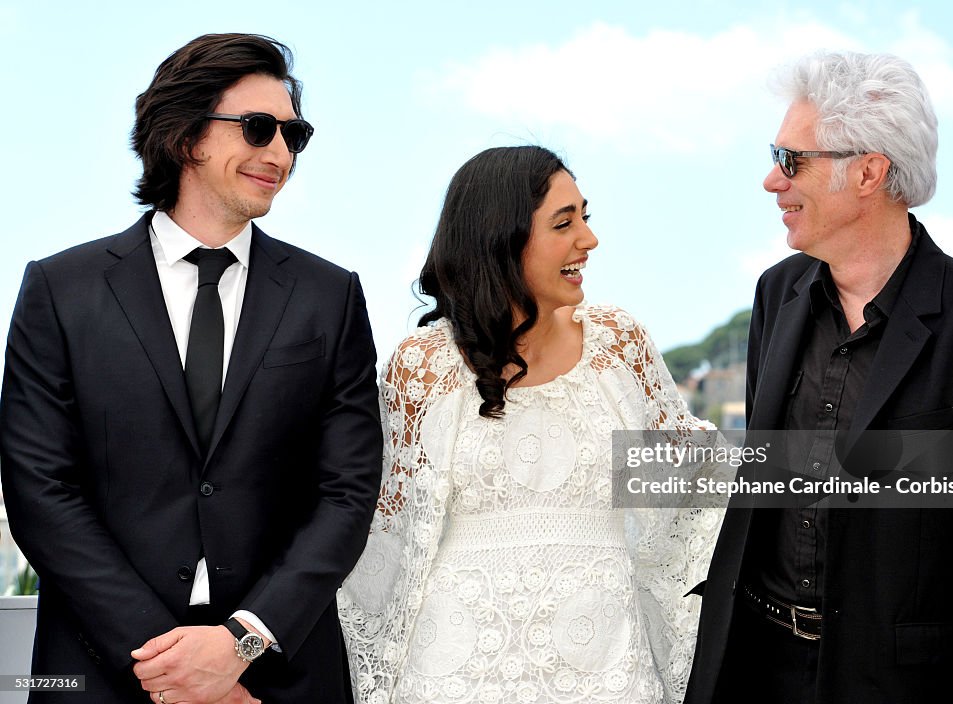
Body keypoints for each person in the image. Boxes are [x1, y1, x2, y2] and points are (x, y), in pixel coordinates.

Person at [0, 33, 382, 704]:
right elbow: (40, 490)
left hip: (279, 675)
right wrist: (171, 665)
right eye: (258, 128)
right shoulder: (61, 290)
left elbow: (346, 493)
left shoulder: (330, 296)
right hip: (101, 673)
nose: (280, 153)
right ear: (184, 136)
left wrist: (239, 646)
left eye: (294, 135)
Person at [685, 51, 953, 703]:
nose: (771, 180)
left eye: (791, 160)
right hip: (757, 669)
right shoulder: (776, 294)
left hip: (898, 685)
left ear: (869, 171)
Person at [337, 145, 728, 703]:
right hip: (451, 676)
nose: (588, 240)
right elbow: (386, 533)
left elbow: (701, 479)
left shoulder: (618, 345)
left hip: (607, 672)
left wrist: (851, 470)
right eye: (563, 223)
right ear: (501, 238)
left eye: (585, 217)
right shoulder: (421, 366)